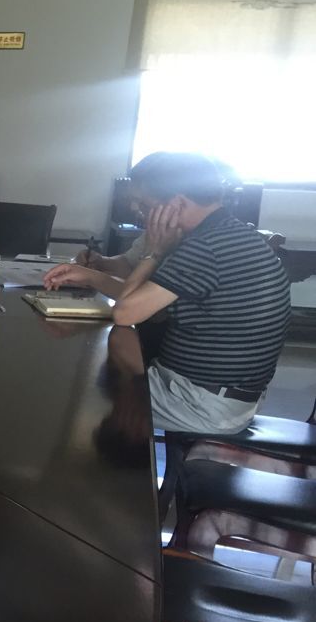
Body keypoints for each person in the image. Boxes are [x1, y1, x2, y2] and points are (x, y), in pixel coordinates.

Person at [44, 152, 290, 434]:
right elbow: (144, 302)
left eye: (145, 204)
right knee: (107, 364)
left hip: (200, 404)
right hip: (220, 397)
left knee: (77, 392)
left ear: (177, 204)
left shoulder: (203, 247)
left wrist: (155, 252)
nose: (136, 209)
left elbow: (125, 313)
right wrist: (91, 276)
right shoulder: (227, 233)